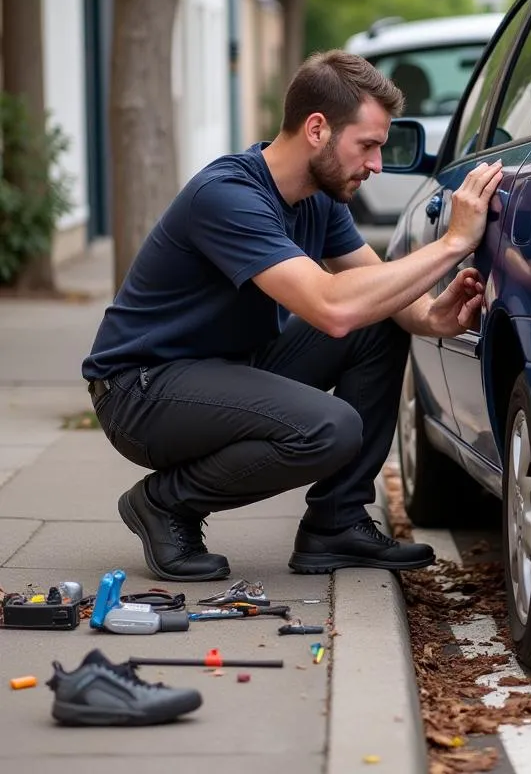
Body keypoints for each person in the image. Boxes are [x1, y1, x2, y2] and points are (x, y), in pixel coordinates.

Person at [82, 50, 503, 583]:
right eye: (368, 145)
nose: (376, 164)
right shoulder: (228, 196)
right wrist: (453, 244)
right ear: (318, 128)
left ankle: (337, 523)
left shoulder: (319, 198)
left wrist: (433, 316)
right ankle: (165, 503)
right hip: (140, 389)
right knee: (329, 429)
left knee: (380, 320)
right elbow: (331, 307)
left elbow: (382, 297)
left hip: (227, 368)